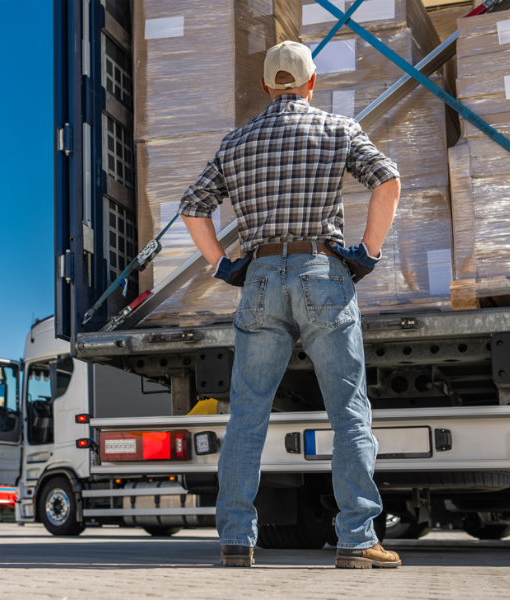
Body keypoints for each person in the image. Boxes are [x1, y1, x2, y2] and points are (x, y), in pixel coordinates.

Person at [177, 41, 402, 569]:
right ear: (311, 82)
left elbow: (192, 208)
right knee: (347, 410)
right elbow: (388, 181)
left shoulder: (236, 143)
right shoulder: (337, 130)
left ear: (264, 86)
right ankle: (356, 539)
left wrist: (221, 264)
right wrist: (367, 253)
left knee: (248, 414)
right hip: (321, 272)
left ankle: (236, 539)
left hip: (258, 278)